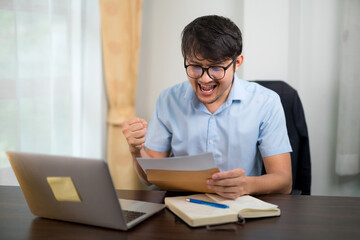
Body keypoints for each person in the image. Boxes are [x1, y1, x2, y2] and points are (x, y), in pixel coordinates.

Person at [122, 15, 292, 199]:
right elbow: (150, 177)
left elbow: (284, 182)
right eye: (195, 66)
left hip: (241, 207)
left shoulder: (266, 102)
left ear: (237, 63)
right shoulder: (168, 100)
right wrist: (136, 150)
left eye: (216, 68)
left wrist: (246, 185)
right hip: (181, 207)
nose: (204, 79)